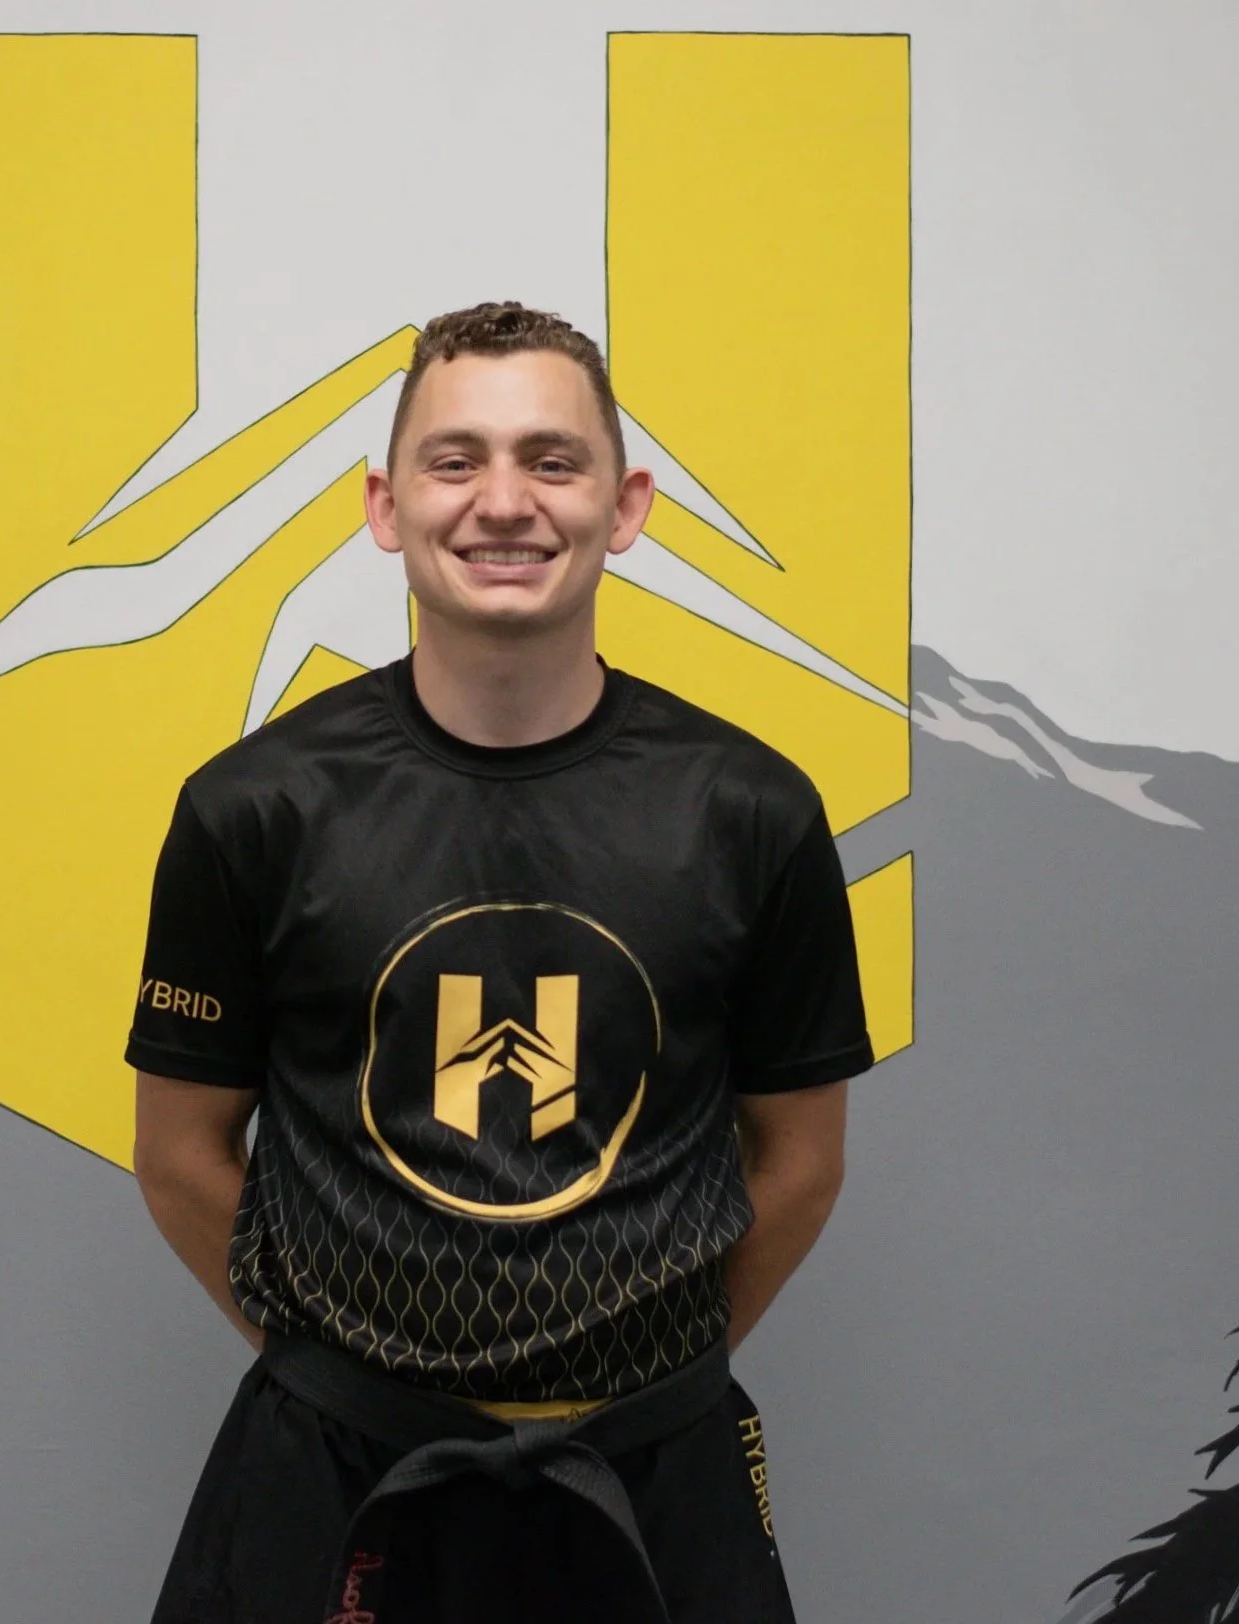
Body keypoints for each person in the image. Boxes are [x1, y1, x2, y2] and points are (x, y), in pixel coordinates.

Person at [128, 301, 873, 1624]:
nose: (504, 502)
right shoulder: (252, 810)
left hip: (655, 1472)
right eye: (456, 460)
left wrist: (639, 1383)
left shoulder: (752, 812)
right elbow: (182, 1153)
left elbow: (801, 1161)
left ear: (627, 505)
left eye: (552, 459)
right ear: (384, 505)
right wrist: (343, 1381)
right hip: (333, 1471)